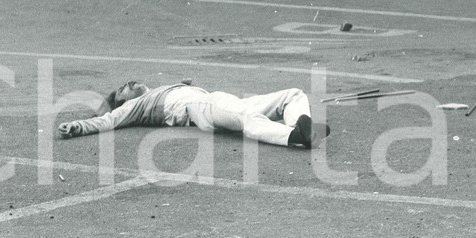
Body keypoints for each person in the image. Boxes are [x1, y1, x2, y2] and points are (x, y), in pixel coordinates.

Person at [58, 80, 328, 148]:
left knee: (293, 94)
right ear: (122, 102)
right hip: (203, 109)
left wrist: (186, 84)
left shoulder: (163, 88)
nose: (127, 85)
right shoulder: (134, 107)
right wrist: (78, 126)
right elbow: (106, 120)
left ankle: (302, 124)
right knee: (247, 118)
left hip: (215, 101)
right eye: (122, 90)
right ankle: (293, 136)